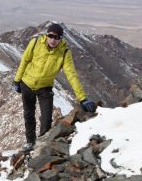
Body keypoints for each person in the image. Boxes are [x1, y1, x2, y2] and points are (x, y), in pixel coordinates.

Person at [13, 23, 96, 151]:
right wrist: (17, 80)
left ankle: (40, 146)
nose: (53, 40)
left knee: (46, 118)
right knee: (28, 115)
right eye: (50, 36)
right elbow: (25, 60)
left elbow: (71, 75)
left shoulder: (64, 52)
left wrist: (82, 98)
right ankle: (30, 142)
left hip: (45, 88)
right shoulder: (35, 43)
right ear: (46, 35)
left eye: (57, 37)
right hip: (27, 84)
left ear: (61, 38)